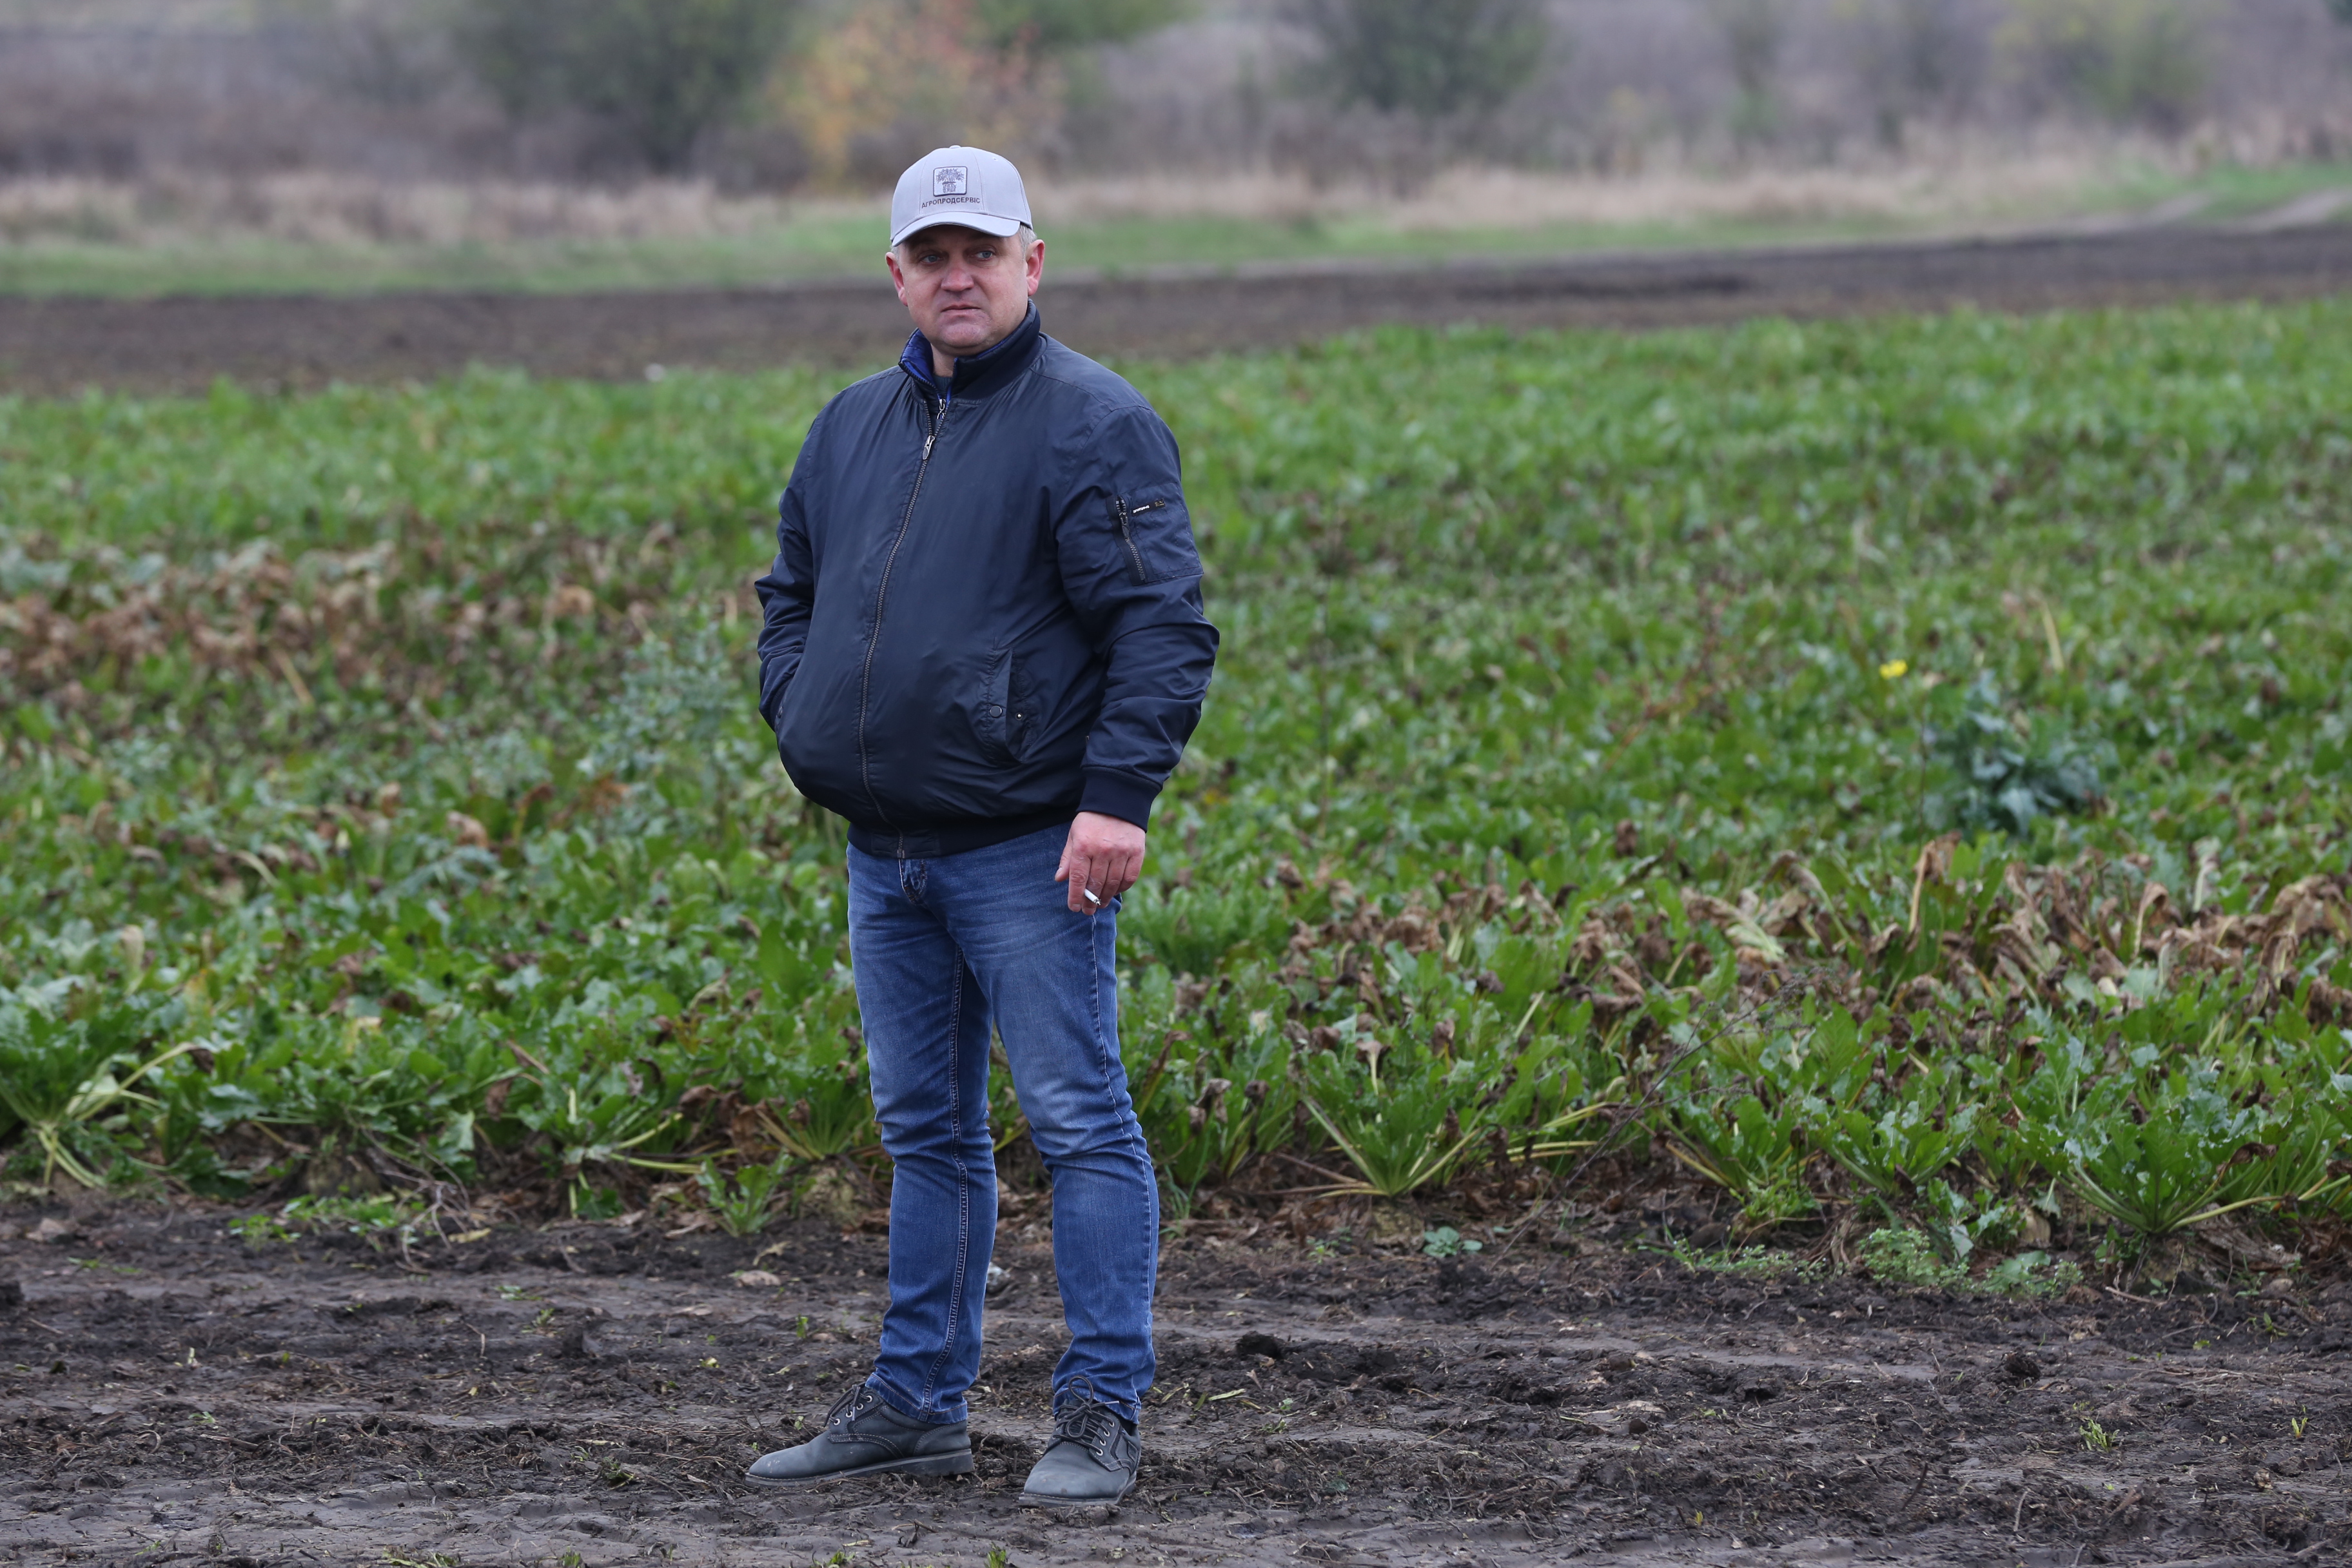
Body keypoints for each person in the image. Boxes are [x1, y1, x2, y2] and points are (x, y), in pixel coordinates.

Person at [742, 145, 1217, 1507]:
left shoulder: (1094, 423)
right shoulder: (851, 424)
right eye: (933, 256)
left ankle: (1100, 1410)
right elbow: (791, 595)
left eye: (983, 253)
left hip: (1025, 847)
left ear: (1031, 263)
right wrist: (801, 709)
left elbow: (1162, 627)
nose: (959, 277)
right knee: (926, 1135)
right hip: (883, 851)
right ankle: (914, 1404)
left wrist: (1115, 800)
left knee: (1080, 1123)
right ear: (896, 274)